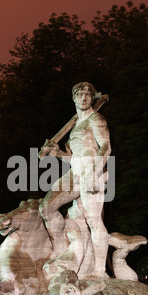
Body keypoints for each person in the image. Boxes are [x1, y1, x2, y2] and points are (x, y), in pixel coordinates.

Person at [40, 82, 111, 277]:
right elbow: (72, 158)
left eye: (88, 94)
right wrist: (57, 153)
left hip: (91, 171)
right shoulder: (75, 128)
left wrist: (95, 173)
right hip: (75, 172)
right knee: (46, 206)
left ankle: (99, 271)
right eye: (80, 94)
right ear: (74, 98)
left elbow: (105, 146)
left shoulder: (96, 118)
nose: (84, 97)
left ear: (92, 98)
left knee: (94, 220)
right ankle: (59, 249)